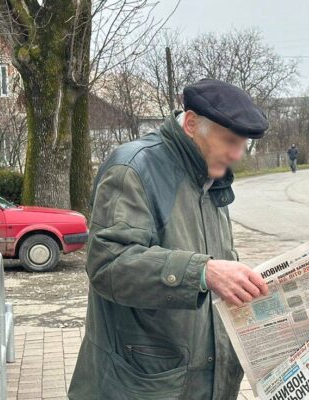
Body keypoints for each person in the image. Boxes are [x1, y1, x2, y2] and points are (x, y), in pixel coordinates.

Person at [68, 79, 271, 400]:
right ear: (191, 124)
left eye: (243, 143)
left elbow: (213, 270)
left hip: (201, 384)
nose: (237, 154)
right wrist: (203, 272)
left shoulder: (210, 176)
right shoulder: (133, 168)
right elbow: (109, 265)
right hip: (142, 386)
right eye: (230, 141)